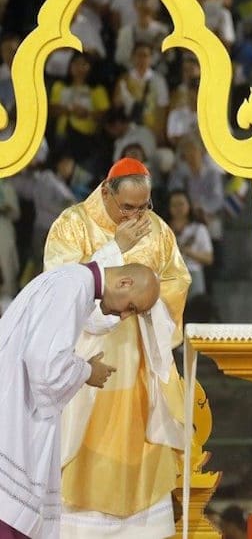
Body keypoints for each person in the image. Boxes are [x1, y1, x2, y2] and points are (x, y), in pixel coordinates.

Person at [43, 157, 190, 538]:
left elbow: (176, 281)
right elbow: (60, 290)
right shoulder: (72, 225)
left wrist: (146, 300)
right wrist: (114, 248)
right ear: (107, 192)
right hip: (87, 359)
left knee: (143, 438)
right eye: (128, 207)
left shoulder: (156, 229)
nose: (137, 216)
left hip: (141, 356)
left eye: (144, 206)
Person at [0, 262, 159, 539]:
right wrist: (87, 371)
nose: (124, 316)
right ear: (124, 283)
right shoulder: (72, 287)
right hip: (15, 421)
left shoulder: (72, 281)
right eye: (131, 307)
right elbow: (45, 366)